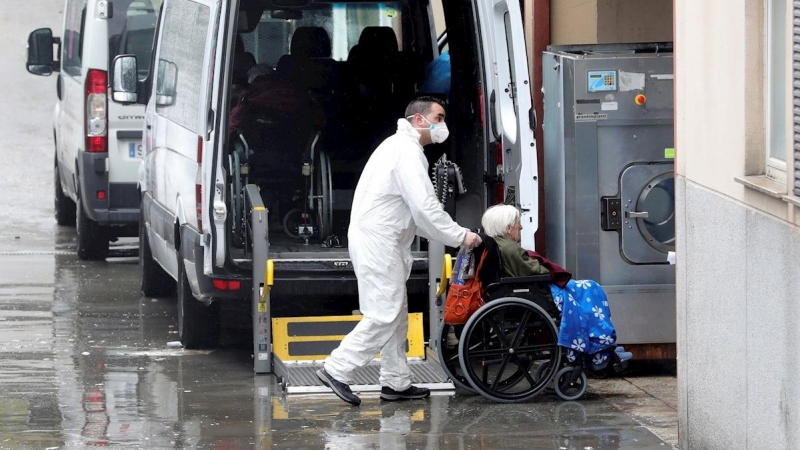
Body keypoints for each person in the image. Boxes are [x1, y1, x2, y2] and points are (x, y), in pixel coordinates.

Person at [317, 96, 483, 406]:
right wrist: (462, 236)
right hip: (380, 241)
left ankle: (396, 382)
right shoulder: (406, 152)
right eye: (439, 117)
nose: (443, 124)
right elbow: (424, 208)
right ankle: (336, 368)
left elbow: (414, 214)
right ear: (419, 120)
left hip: (383, 239)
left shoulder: (400, 148)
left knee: (396, 314)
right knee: (384, 314)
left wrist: (453, 234)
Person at [480, 204, 632, 370]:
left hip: (517, 291)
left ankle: (600, 344)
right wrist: (549, 269)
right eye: (518, 223)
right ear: (508, 228)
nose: (521, 226)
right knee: (591, 288)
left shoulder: (498, 245)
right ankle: (601, 346)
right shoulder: (510, 249)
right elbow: (537, 272)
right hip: (537, 292)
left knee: (585, 292)